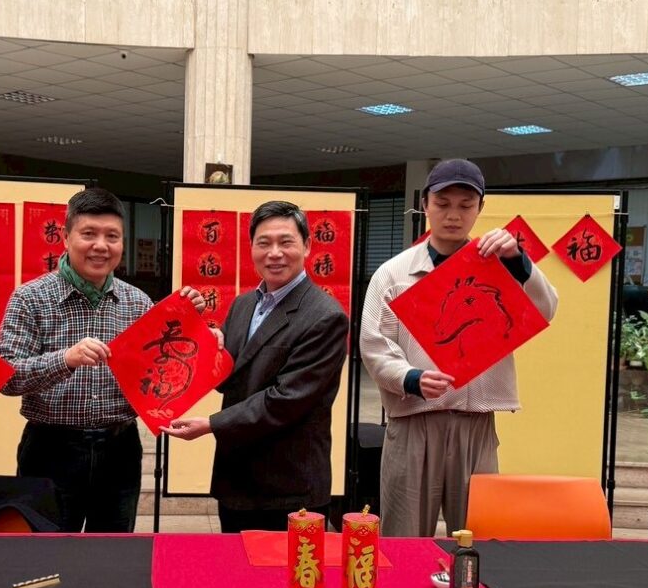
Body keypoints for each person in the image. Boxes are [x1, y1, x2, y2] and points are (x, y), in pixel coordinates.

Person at [360, 159, 558, 537]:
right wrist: (410, 377)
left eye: (466, 205)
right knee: (404, 534)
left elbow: (545, 309)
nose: (453, 215)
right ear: (424, 203)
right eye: (443, 203)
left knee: (478, 534)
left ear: (481, 207)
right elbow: (374, 344)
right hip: (414, 421)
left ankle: (472, 580)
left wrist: (519, 262)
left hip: (476, 423)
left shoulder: (501, 264)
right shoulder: (394, 273)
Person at [0, 187, 206, 533]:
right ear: (66, 237)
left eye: (112, 236)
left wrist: (190, 323)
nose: (101, 246)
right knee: (46, 552)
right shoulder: (30, 298)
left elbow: (160, 370)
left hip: (119, 449)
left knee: (112, 551)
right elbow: (6, 377)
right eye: (89, 234)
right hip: (51, 449)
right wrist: (66, 359)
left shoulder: (138, 302)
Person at [162, 200, 349, 533]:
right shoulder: (243, 304)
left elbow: (286, 400)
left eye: (285, 242)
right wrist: (200, 338)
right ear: (251, 248)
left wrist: (210, 424)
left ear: (307, 245)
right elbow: (226, 377)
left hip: (289, 486)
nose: (274, 253)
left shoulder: (325, 316)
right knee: (234, 564)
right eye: (264, 243)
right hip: (235, 480)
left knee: (287, 568)